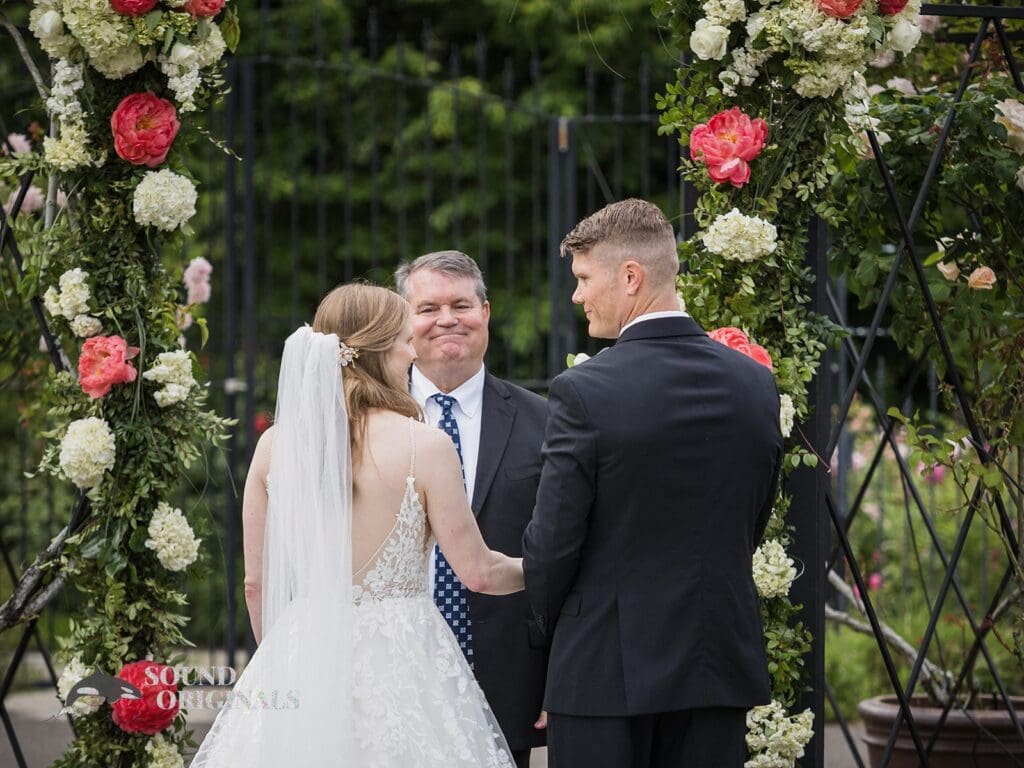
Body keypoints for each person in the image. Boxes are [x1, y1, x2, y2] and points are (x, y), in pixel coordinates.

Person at [191, 284, 522, 768]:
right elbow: (480, 573)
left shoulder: (274, 447)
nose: (414, 351)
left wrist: (287, 662)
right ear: (379, 349)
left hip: (302, 654)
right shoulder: (424, 446)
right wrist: (549, 564)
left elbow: (255, 585)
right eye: (405, 340)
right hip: (405, 665)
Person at [523, 199, 783, 768]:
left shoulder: (582, 391)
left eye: (584, 278)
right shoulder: (756, 385)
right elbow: (752, 516)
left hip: (603, 672)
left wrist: (545, 636)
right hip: (716, 666)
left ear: (631, 277)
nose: (577, 296)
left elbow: (552, 544)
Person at [395, 251, 548, 768]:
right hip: (391, 672)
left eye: (461, 304)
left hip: (510, 673)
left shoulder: (546, 421)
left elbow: (569, 550)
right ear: (404, 322)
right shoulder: (367, 422)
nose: (446, 319)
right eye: (428, 307)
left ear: (486, 311)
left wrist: (560, 673)